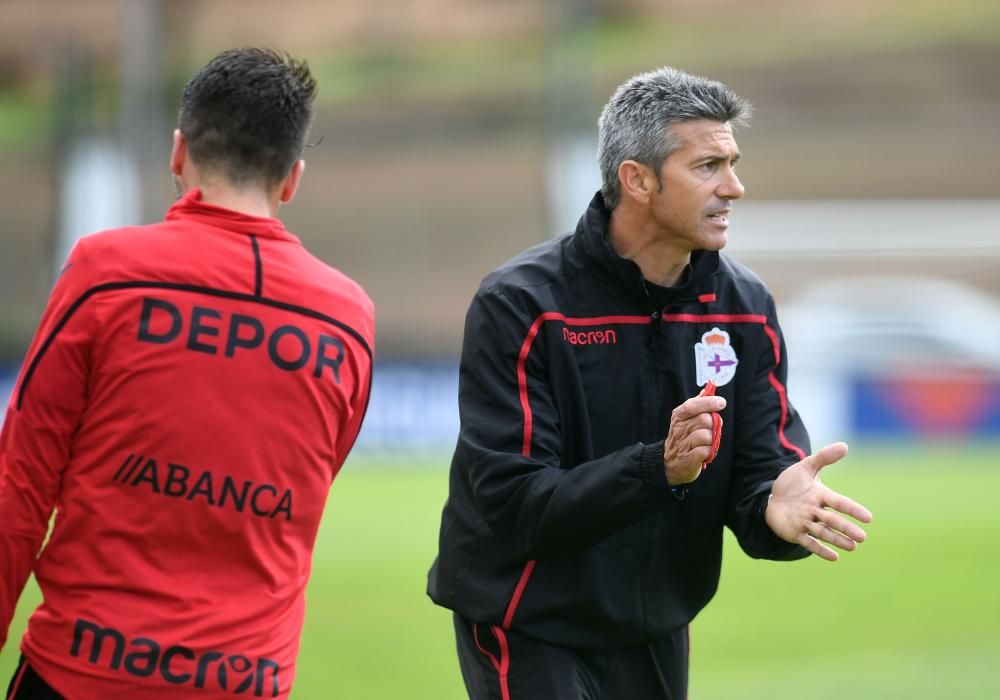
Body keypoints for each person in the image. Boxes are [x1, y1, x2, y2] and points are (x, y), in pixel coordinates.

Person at [428, 66, 872, 699]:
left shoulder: (743, 305)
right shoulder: (523, 304)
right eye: (707, 167)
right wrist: (655, 469)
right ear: (636, 179)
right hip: (525, 617)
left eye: (733, 162)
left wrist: (772, 507)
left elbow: (759, 469)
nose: (735, 187)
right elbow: (514, 505)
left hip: (656, 620)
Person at [0, 48, 374, 699]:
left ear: (179, 153)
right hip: (244, 681)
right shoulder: (348, 322)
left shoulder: (104, 274)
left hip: (81, 674)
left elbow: (19, 485)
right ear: (292, 179)